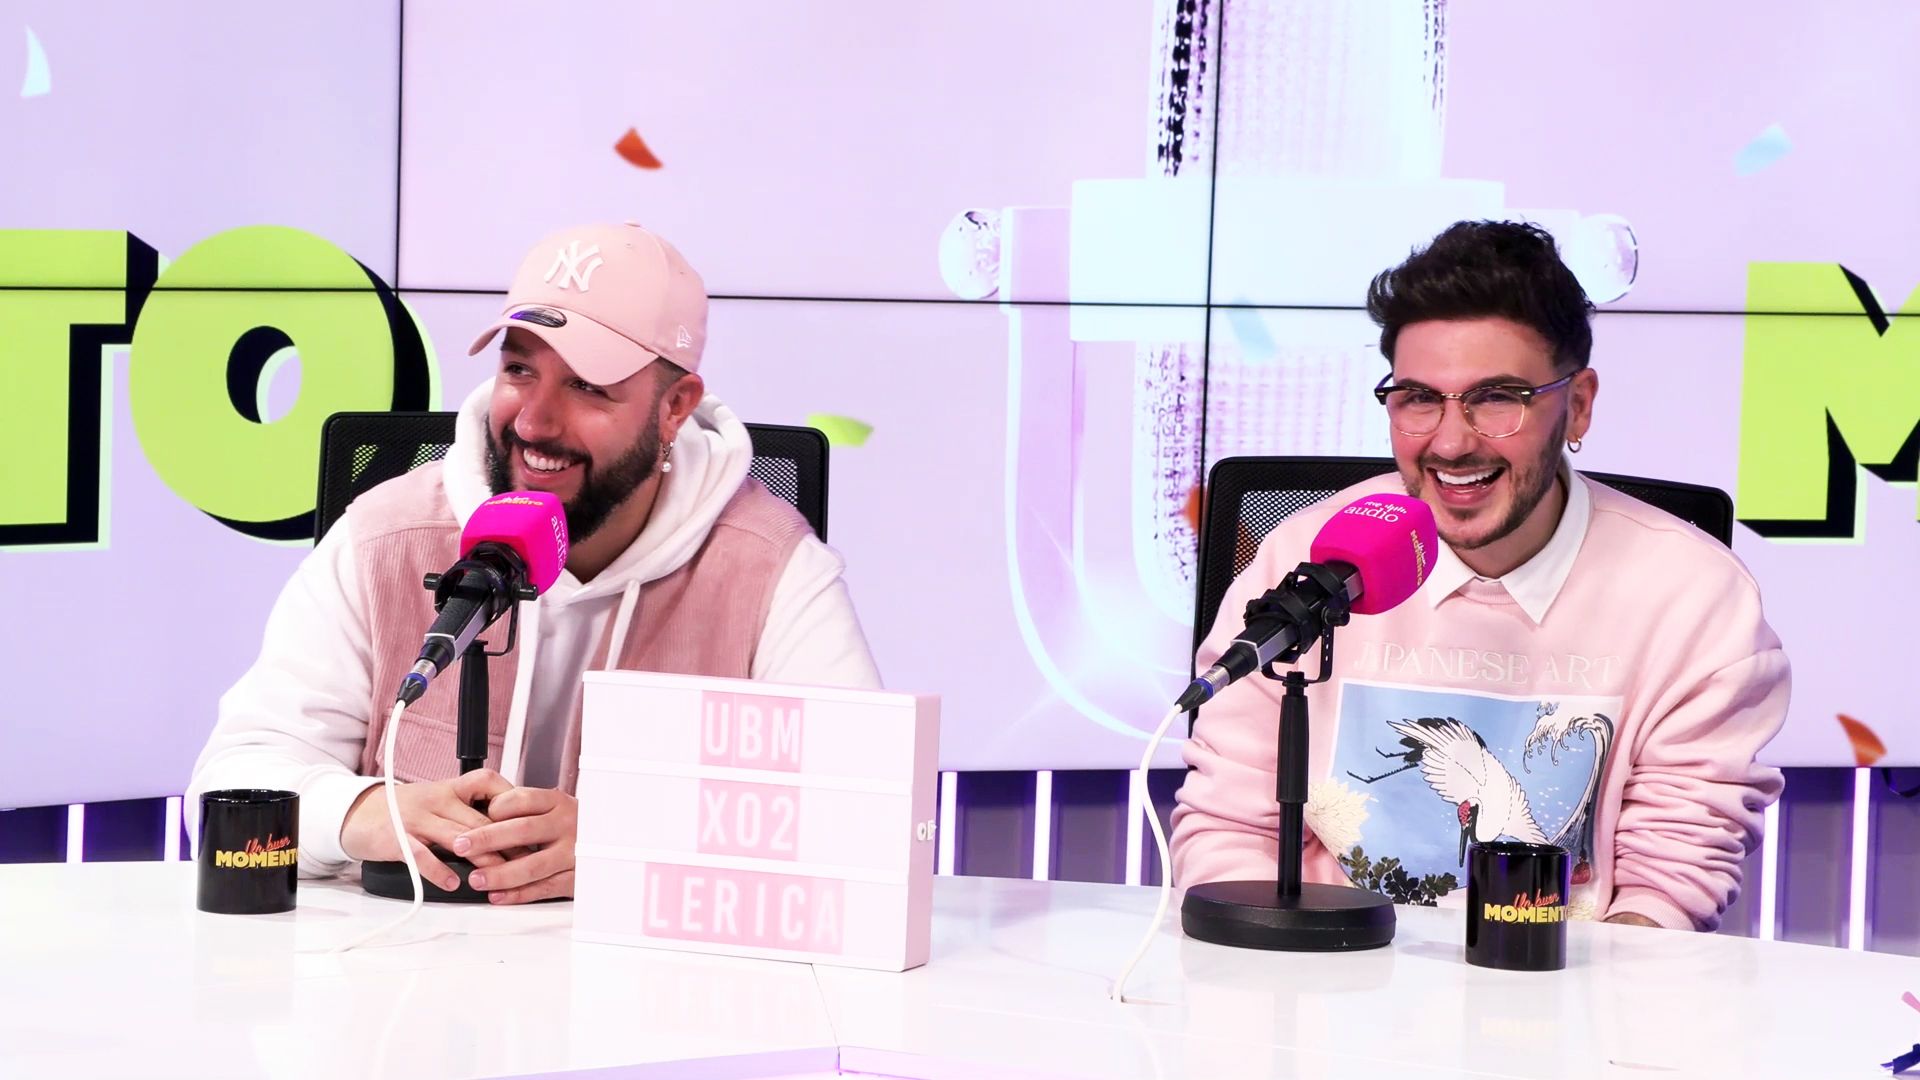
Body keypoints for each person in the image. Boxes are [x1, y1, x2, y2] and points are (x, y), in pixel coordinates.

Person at [189, 222, 881, 903]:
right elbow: (232, 779)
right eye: (519, 369)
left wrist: (633, 838)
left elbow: (866, 816)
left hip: (649, 974)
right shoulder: (385, 535)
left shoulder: (773, 568)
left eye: (587, 386)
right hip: (401, 964)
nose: (533, 423)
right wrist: (358, 810)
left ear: (674, 407)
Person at [1171, 221, 1788, 930]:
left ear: (1578, 404)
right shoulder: (1303, 558)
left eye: (1497, 397)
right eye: (1418, 398)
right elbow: (1229, 827)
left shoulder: (1695, 597)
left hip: (1567, 984)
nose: (1452, 441)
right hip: (1326, 970)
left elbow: (1668, 883)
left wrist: (1587, 999)